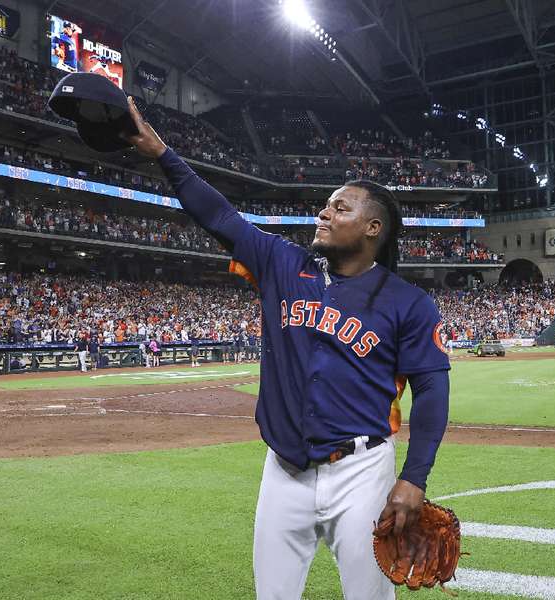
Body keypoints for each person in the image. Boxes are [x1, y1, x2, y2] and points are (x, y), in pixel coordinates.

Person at [124, 97, 451, 600]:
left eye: (341, 207)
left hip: (362, 472)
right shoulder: (282, 264)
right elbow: (220, 216)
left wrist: (415, 478)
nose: (325, 211)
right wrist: (163, 154)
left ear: (373, 228)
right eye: (327, 203)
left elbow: (431, 389)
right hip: (283, 470)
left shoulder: (408, 302)